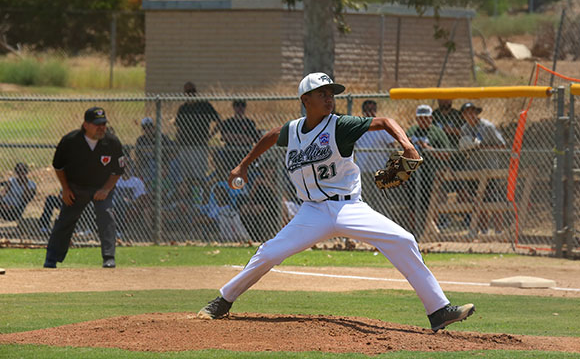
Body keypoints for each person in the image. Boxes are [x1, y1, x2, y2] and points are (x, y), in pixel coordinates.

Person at [197, 72, 475, 332]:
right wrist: (243, 165)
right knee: (269, 253)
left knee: (404, 240)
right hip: (311, 212)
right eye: (322, 93)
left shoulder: (341, 125)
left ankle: (438, 311)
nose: (329, 98)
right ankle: (223, 301)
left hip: (349, 207)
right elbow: (271, 136)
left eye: (331, 93)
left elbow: (385, 121)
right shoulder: (292, 130)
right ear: (306, 100)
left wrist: (407, 145)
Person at [43, 107, 125, 269]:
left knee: (106, 215)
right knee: (65, 221)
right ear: (85, 124)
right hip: (76, 188)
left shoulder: (112, 142)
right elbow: (59, 167)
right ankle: (52, 258)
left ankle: (109, 257)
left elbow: (118, 170)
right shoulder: (70, 141)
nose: (101, 127)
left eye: (103, 124)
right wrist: (66, 189)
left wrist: (106, 190)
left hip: (102, 188)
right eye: (97, 124)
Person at [458, 102, 506, 236]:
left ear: (477, 113)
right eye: (467, 113)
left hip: (490, 168)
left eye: (473, 112)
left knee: (495, 201)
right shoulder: (465, 129)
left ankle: (498, 231)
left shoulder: (487, 126)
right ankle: (484, 231)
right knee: (479, 200)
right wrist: (468, 147)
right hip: (474, 170)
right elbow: (465, 148)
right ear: (463, 115)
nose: (470, 115)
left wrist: (482, 147)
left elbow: (502, 146)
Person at [405, 105, 451, 237]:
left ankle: (430, 233)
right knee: (413, 204)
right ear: (417, 119)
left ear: (431, 118)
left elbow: (447, 155)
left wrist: (428, 148)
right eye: (421, 118)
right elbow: (402, 147)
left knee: (431, 204)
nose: (423, 121)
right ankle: (414, 233)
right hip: (413, 174)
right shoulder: (412, 130)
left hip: (431, 173)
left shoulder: (437, 132)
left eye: (426, 118)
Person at [354, 100, 397, 214]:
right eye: (367, 110)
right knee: (365, 200)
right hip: (363, 170)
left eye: (372, 110)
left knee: (381, 200)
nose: (370, 113)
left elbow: (392, 147)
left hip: (379, 170)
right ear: (363, 112)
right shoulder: (359, 128)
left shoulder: (382, 127)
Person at [175, 82, 221, 180]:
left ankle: (199, 193)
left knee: (198, 175)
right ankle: (188, 194)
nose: (190, 94)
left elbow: (219, 122)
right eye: (188, 92)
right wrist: (178, 143)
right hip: (185, 145)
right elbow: (178, 127)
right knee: (185, 175)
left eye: (192, 91)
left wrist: (209, 136)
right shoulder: (183, 108)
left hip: (199, 145)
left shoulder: (204, 106)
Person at [216, 100, 261, 179]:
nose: (240, 108)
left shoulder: (249, 122)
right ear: (234, 107)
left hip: (245, 152)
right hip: (230, 153)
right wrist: (242, 137)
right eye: (237, 105)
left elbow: (251, 139)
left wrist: (234, 137)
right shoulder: (228, 122)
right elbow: (225, 137)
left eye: (242, 105)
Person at [134, 117, 171, 186]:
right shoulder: (140, 140)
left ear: (153, 128)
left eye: (149, 127)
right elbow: (137, 158)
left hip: (160, 165)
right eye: (145, 128)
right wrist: (137, 170)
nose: (148, 130)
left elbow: (171, 152)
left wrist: (166, 166)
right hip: (145, 166)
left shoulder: (162, 137)